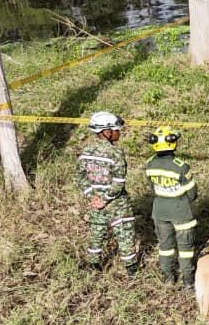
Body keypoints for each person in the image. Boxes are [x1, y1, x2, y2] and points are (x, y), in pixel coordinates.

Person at [78, 111, 138, 275]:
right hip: (117, 204)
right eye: (116, 129)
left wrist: (93, 197)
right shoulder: (115, 154)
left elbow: (80, 177)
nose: (119, 132)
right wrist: (105, 199)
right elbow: (118, 183)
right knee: (125, 235)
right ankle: (131, 269)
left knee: (96, 232)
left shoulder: (86, 151)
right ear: (107, 132)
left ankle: (93, 264)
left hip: (96, 203)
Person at [144, 125, 197, 290]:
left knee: (165, 248)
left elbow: (151, 186)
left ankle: (168, 280)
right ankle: (188, 282)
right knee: (186, 249)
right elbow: (192, 193)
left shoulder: (150, 164)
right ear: (173, 143)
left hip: (159, 212)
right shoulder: (181, 166)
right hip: (181, 213)